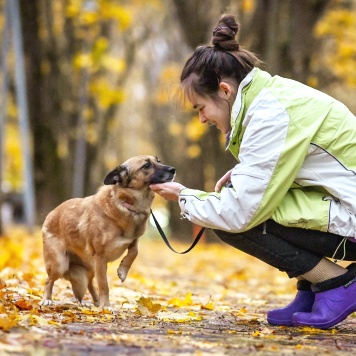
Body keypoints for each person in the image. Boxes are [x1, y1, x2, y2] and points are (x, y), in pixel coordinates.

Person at [150, 13, 356, 329]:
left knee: (231, 217)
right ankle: (313, 288)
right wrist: (241, 174)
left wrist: (185, 196)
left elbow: (242, 213)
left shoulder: (271, 113)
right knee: (230, 206)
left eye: (201, 108)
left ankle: (336, 283)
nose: (202, 119)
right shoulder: (270, 101)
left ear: (224, 90)